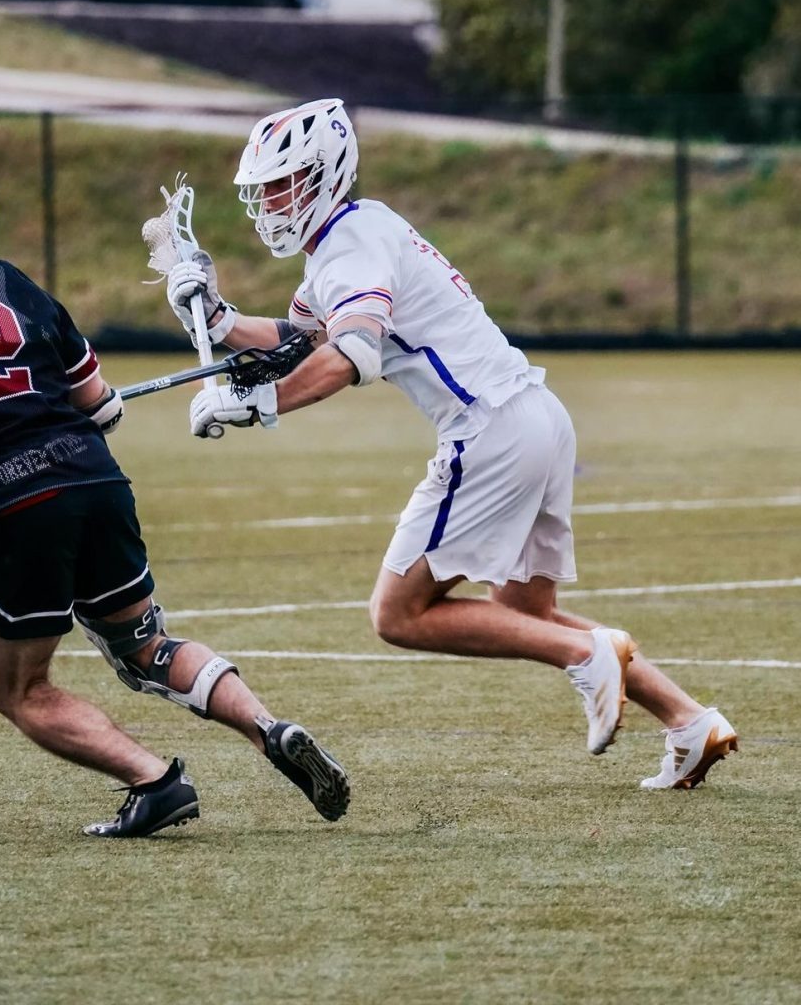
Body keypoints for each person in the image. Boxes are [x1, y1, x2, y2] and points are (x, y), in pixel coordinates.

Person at [166, 98, 738, 790]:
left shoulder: (350, 246)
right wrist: (219, 317)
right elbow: (300, 341)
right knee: (528, 617)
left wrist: (254, 402)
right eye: (263, 190)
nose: (270, 203)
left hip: (489, 429)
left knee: (397, 614)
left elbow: (350, 355)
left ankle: (589, 655)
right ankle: (685, 720)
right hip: (537, 416)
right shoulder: (356, 237)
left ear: (327, 175)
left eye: (283, 184)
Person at [0, 142, 349, 837]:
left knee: (18, 689)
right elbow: (102, 407)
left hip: (14, 503)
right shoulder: (18, 285)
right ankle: (266, 725)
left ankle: (154, 781)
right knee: (147, 649)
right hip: (94, 479)